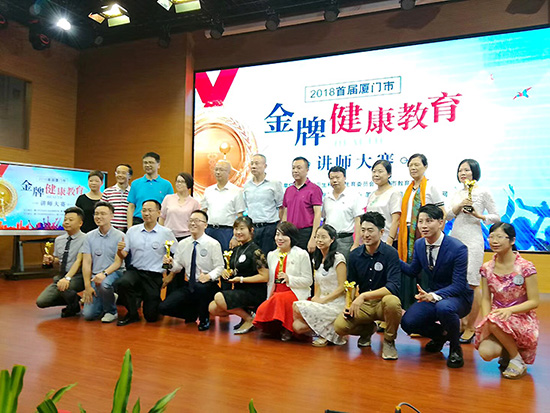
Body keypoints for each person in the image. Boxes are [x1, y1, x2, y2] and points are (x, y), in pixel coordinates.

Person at [400, 204, 473, 368]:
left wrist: (433, 296)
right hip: (432, 296)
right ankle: (441, 336)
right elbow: (412, 271)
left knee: (444, 308)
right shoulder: (419, 244)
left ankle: (455, 348)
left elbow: (458, 285)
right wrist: (392, 258)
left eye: (429, 221)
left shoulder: (458, 248)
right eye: (420, 221)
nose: (423, 226)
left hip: (458, 297)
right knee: (408, 322)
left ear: (441, 223)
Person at [333, 212, 402, 359]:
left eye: (370, 230)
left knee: (392, 301)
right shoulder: (354, 255)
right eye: (363, 230)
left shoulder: (390, 253)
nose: (365, 234)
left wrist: (363, 296)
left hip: (382, 303)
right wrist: (348, 304)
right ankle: (367, 330)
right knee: (339, 327)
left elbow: (393, 287)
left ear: (381, 232)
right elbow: (351, 284)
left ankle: (389, 341)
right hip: (363, 306)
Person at [475, 223, 540, 379]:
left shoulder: (525, 267)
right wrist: (487, 319)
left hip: (521, 317)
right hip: (497, 319)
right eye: (491, 237)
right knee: (486, 352)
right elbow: (485, 298)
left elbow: (534, 301)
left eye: (499, 237)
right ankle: (509, 352)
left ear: (512, 240)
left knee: (494, 321)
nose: (494, 241)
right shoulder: (486, 268)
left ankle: (516, 360)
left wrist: (509, 310)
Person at [445, 159, 500, 344]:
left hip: (474, 240)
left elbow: (496, 216)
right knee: (455, 281)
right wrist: (460, 205)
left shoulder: (483, 192)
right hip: (455, 238)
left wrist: (479, 215)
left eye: (467, 170)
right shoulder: (457, 193)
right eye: (460, 170)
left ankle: (470, 326)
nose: (463, 173)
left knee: (472, 282)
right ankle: (460, 323)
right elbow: (447, 215)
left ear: (474, 172)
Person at [159, 210, 224, 331]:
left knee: (201, 288)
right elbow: (178, 267)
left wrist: (208, 276)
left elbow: (220, 267)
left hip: (208, 285)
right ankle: (192, 313)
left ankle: (204, 318)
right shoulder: (183, 244)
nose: (193, 223)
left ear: (205, 225)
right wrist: (170, 264)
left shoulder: (213, 244)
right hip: (190, 285)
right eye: (191, 221)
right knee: (164, 307)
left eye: (197, 221)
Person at [116, 199, 177, 326]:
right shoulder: (132, 231)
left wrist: (170, 275)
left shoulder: (166, 233)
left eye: (150, 210)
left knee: (151, 317)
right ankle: (132, 314)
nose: (146, 213)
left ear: (158, 213)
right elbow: (124, 254)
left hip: (154, 275)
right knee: (122, 283)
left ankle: (153, 300)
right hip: (135, 271)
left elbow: (177, 255)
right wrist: (119, 250)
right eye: (144, 210)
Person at [398, 154, 445, 309]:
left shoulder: (431, 187)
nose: (413, 168)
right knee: (410, 268)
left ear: (425, 167)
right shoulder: (409, 189)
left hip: (426, 234)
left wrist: (437, 235)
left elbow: (442, 213)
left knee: (425, 269)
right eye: (410, 165)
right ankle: (410, 306)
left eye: (417, 165)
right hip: (408, 234)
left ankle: (427, 306)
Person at [209, 216, 269, 334]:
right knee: (212, 308)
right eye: (236, 229)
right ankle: (247, 315)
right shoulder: (236, 250)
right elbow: (234, 269)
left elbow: (265, 276)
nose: (238, 232)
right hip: (240, 290)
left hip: (254, 292)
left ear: (251, 230)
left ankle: (249, 319)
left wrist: (241, 279)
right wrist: (226, 272)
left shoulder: (256, 251)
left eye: (242, 228)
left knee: (219, 297)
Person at [253, 221, 312, 341]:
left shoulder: (301, 254)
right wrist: (268, 298)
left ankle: (288, 328)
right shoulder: (271, 255)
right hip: (276, 292)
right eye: (277, 234)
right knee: (264, 307)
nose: (279, 238)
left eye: (284, 235)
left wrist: (289, 278)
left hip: (294, 292)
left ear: (291, 237)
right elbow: (270, 282)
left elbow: (308, 280)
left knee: (280, 299)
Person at [293, 224, 347, 347]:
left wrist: (324, 300)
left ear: (332, 240)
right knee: (297, 326)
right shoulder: (316, 259)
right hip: (322, 300)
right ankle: (327, 329)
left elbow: (342, 287)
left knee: (297, 306)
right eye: (317, 237)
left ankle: (327, 333)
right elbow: (317, 284)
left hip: (336, 302)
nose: (319, 240)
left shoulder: (339, 259)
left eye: (323, 237)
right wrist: (316, 298)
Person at [36, 207, 86, 318]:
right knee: (41, 302)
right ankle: (75, 300)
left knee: (65, 287)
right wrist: (52, 260)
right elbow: (60, 260)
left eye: (71, 220)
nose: (66, 222)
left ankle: (72, 307)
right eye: (65, 219)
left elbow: (79, 261)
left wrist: (67, 278)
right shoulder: (59, 240)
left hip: (79, 276)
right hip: (62, 276)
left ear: (80, 223)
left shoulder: (86, 239)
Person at [81, 201, 125, 323]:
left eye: (103, 214)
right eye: (96, 214)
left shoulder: (119, 236)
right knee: (89, 315)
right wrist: (87, 286)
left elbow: (118, 263)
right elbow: (86, 263)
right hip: (96, 276)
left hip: (114, 272)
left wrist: (104, 274)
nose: (98, 217)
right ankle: (108, 297)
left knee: (104, 284)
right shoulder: (89, 236)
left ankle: (111, 311)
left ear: (111, 216)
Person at [241, 154, 283, 254]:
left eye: (257, 163)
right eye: (252, 164)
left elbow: (281, 207)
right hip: (252, 228)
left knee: (267, 257)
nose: (253, 166)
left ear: (265, 166)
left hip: (269, 228)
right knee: (252, 257)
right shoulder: (246, 185)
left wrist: (279, 226)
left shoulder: (274, 183)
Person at [201, 160, 245, 253]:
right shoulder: (208, 190)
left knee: (226, 258)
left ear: (229, 172)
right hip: (209, 230)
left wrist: (235, 237)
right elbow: (203, 212)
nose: (218, 172)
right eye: (216, 169)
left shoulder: (236, 191)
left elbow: (240, 215)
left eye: (221, 170)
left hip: (227, 231)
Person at [282, 157, 323, 253]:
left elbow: (317, 214)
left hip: (306, 233)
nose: (295, 171)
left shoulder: (314, 189)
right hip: (290, 233)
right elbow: (285, 213)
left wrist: (313, 238)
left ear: (307, 170)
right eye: (293, 168)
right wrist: (282, 233)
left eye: (299, 168)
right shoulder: (288, 190)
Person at [322, 166, 362, 260]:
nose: (335, 180)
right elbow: (325, 219)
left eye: (337, 177)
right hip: (329, 240)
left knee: (344, 266)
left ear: (344, 178)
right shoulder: (327, 198)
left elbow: (358, 221)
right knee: (329, 266)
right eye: (332, 178)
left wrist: (356, 243)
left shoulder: (353, 196)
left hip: (346, 240)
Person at [126, 152, 173, 228]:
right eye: (145, 163)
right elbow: (131, 206)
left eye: (151, 162)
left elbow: (170, 208)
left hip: (158, 223)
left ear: (158, 165)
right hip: (138, 221)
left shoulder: (166, 185)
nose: (147, 165)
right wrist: (129, 227)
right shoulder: (135, 184)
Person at [365, 160, 401, 246]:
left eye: (380, 171)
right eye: (374, 171)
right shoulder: (372, 195)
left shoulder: (393, 193)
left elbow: (396, 220)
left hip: (387, 240)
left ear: (389, 174)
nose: (376, 174)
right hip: (372, 240)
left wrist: (390, 239)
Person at [160, 172, 200, 241]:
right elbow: (161, 217)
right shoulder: (168, 198)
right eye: (178, 181)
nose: (179, 184)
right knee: (168, 248)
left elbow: (196, 222)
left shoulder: (194, 202)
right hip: (169, 236)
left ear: (188, 184)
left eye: (182, 182)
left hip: (186, 236)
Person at [101, 163, 132, 232]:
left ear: (130, 176)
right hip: (110, 230)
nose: (120, 175)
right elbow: (102, 211)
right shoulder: (107, 192)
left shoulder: (133, 192)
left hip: (127, 230)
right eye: (118, 173)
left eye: (123, 173)